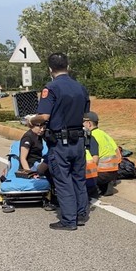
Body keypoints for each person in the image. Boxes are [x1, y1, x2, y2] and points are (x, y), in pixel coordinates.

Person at [29, 52, 90, 231]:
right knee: (79, 178)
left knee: (63, 180)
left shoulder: (51, 88)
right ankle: (80, 214)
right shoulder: (80, 87)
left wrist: (32, 120)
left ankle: (68, 220)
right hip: (78, 140)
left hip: (60, 143)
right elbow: (85, 114)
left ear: (50, 69)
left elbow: (45, 116)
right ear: (68, 67)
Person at [83, 111, 122, 202]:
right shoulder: (105, 134)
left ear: (89, 123)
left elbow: (92, 159)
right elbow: (118, 153)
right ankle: (105, 186)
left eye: (82, 122)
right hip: (114, 172)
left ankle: (92, 187)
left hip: (100, 173)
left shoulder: (91, 137)